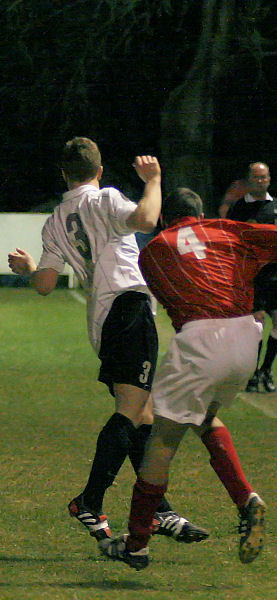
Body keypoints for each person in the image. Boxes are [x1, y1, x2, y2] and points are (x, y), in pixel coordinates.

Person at [99, 186, 277, 571]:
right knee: (205, 416)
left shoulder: (153, 251)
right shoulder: (228, 230)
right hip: (246, 337)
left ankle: (137, 544)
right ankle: (247, 501)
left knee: (161, 440)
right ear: (202, 213)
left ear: (164, 219)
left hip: (201, 338)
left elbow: (175, 300)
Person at [7, 138, 208, 550]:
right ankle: (90, 500)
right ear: (99, 171)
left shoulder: (55, 221)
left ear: (64, 174)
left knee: (144, 414)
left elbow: (45, 284)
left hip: (102, 322)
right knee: (132, 411)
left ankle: (160, 509)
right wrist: (153, 181)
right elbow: (148, 218)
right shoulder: (105, 199)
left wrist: (29, 268)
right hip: (130, 306)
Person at [219, 162, 277, 394]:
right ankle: (252, 371)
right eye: (256, 177)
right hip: (253, 275)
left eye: (264, 177)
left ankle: (266, 369)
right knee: (257, 323)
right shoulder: (240, 208)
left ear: (269, 179)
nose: (261, 181)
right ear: (249, 180)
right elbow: (229, 239)